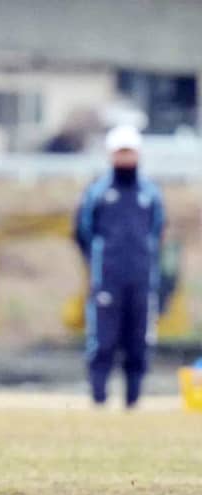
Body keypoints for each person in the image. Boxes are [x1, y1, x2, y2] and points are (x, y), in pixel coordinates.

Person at [74, 125, 165, 407]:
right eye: (120, 152)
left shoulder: (150, 194)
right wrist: (100, 260)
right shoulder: (98, 193)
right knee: (103, 340)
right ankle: (99, 398)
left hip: (141, 279)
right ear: (111, 155)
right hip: (108, 279)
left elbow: (157, 229)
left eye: (130, 151)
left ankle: (133, 401)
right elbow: (83, 231)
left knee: (138, 342)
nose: (125, 157)